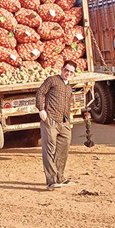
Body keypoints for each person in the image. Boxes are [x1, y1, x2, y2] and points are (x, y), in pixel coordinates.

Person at [35, 60, 77, 190]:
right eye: (66, 70)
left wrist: (69, 121)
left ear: (74, 74)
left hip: (64, 122)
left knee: (64, 148)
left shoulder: (69, 87)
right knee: (49, 149)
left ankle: (60, 177)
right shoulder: (52, 80)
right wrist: (41, 109)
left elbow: (68, 105)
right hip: (50, 119)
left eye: (71, 72)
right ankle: (51, 181)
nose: (68, 73)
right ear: (62, 69)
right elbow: (40, 92)